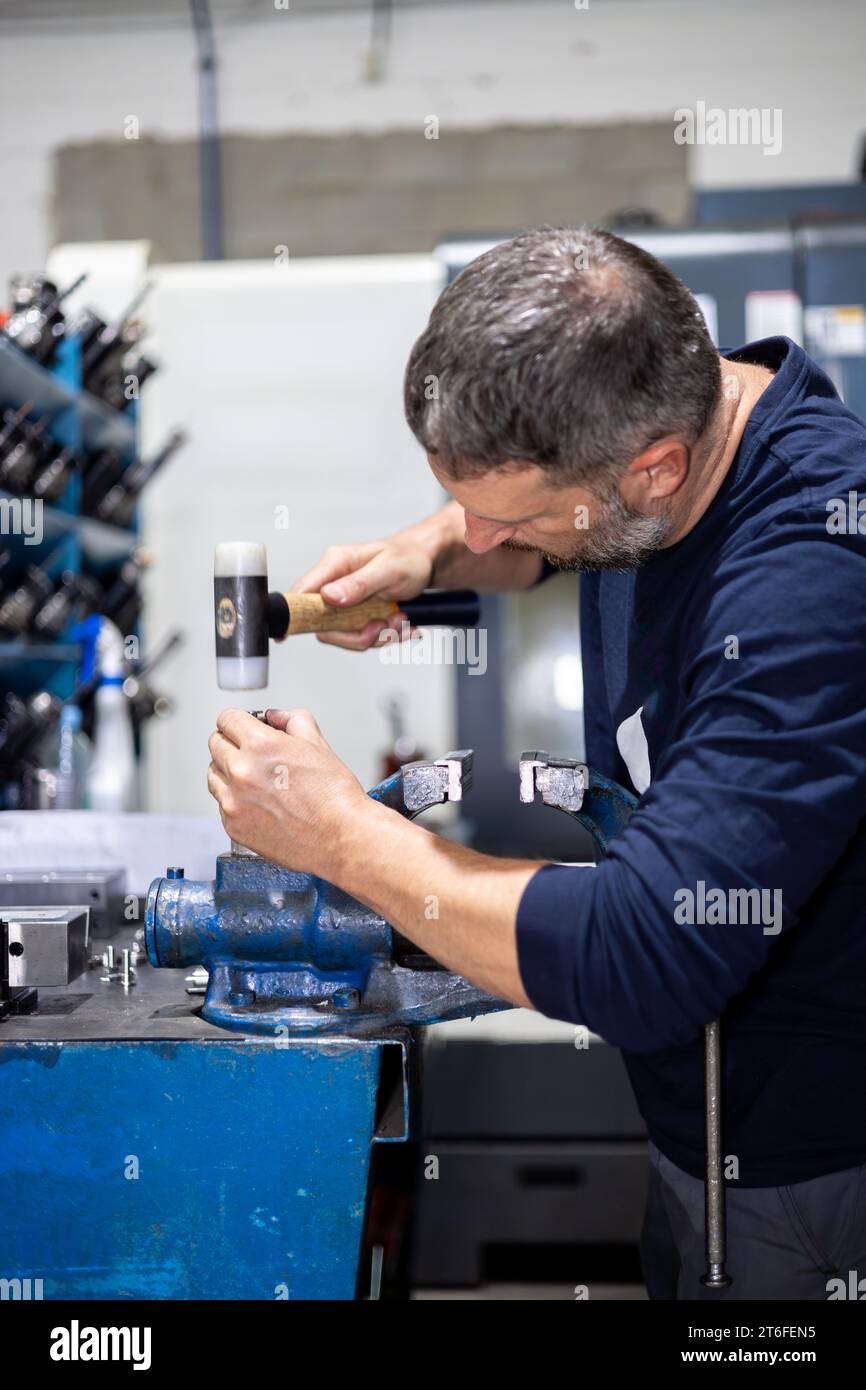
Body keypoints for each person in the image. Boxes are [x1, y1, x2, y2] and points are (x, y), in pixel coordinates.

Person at [207, 226, 866, 1299]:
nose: (480, 536)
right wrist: (431, 548)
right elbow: (553, 536)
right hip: (693, 1130)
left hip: (807, 1180)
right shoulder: (679, 423)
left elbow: (652, 949)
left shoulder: (809, 582)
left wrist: (340, 834)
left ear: (652, 471)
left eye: (504, 514)